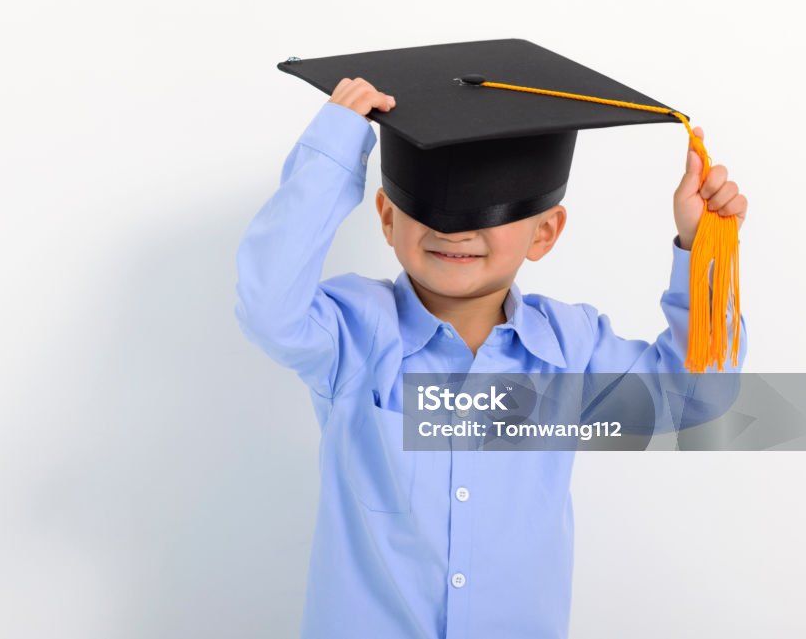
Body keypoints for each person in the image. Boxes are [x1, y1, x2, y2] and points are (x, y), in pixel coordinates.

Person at [234, 40, 748, 639]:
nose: (456, 228)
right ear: (387, 217)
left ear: (545, 232)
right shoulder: (352, 331)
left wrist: (701, 250)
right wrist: (334, 149)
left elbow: (696, 401)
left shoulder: (569, 349)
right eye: (426, 207)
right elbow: (268, 305)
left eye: (491, 210)